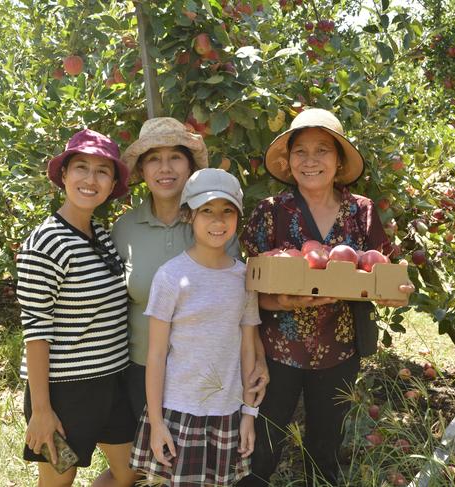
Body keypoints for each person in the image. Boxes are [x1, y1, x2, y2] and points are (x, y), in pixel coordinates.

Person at [237, 108, 415, 486]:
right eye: (301, 151)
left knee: (325, 446)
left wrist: (396, 292)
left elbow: (383, 272)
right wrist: (279, 303)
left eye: (323, 150)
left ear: (338, 160)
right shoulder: (270, 212)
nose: (311, 160)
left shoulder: (360, 211)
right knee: (264, 443)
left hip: (340, 350)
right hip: (277, 350)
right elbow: (247, 287)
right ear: (288, 161)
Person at [111, 117, 269, 422]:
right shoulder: (125, 229)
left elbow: (237, 302)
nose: (165, 168)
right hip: (140, 367)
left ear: (190, 167)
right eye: (154, 159)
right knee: (143, 464)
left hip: (203, 376)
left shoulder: (216, 228)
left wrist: (258, 357)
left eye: (175, 158)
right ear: (142, 170)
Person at [16, 128, 138, 487]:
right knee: (57, 482)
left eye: (102, 171)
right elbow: (36, 330)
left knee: (129, 473)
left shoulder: (101, 235)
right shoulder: (45, 242)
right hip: (65, 391)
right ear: (65, 176)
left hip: (112, 382)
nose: (90, 179)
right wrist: (41, 410)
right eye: (81, 167)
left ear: (113, 182)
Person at [129, 168, 261, 486]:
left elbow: (247, 348)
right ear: (189, 215)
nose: (218, 221)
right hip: (178, 411)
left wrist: (248, 414)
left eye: (227, 211)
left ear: (238, 217)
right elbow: (157, 354)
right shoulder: (171, 276)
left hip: (227, 411)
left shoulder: (245, 278)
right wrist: (157, 422)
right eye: (207, 211)